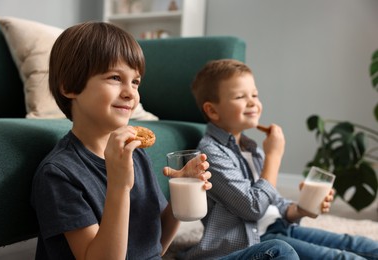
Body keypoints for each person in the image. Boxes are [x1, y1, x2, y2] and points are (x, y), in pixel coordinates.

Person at [30, 22, 300, 260]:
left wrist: (182, 193)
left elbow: (155, 247)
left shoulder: (136, 154)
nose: (130, 93)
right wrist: (119, 186)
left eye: (135, 82)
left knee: (276, 250)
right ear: (69, 87)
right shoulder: (59, 173)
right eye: (115, 78)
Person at [185, 58, 378, 260]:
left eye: (255, 94)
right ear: (212, 110)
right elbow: (253, 208)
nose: (252, 102)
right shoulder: (210, 154)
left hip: (278, 227)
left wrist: (302, 208)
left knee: (360, 245)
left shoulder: (251, 148)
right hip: (255, 241)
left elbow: (276, 204)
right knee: (344, 257)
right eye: (240, 96)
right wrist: (274, 156)